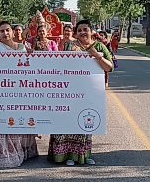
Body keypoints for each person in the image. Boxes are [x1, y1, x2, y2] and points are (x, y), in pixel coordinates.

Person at [48, 19, 113, 166]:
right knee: (68, 122)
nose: (83, 32)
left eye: (86, 29)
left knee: (84, 123)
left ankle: (83, 154)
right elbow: (61, 66)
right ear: (76, 34)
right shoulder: (70, 46)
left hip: (89, 92)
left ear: (91, 31)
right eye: (80, 30)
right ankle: (67, 155)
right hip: (70, 91)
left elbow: (109, 67)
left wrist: (97, 55)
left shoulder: (99, 46)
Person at [0, 21, 39, 167]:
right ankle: (0, 153)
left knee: (18, 119)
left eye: (7, 30)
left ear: (13, 32)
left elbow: (30, 68)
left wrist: (32, 56)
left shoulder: (23, 48)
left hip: (18, 90)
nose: (5, 33)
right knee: (0, 120)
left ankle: (21, 150)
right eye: (2, 31)